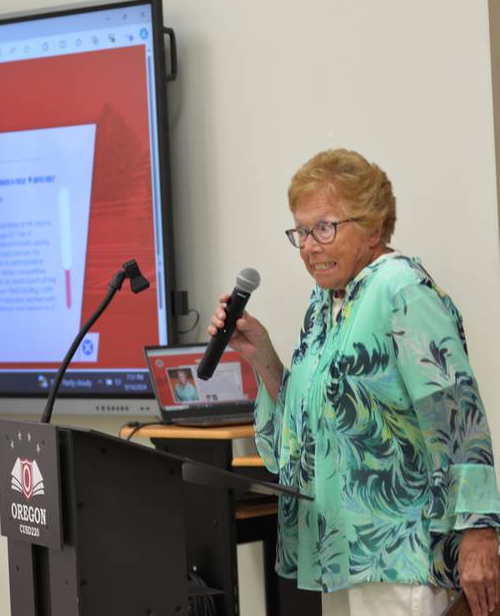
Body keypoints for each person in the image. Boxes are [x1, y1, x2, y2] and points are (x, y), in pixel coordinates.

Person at [208, 149, 500, 616]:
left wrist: (479, 532)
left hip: (402, 555)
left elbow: (458, 419)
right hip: (340, 554)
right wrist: (260, 353)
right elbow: (303, 434)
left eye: (324, 227)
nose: (308, 246)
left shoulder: (401, 289)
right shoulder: (326, 302)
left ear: (375, 227)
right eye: (300, 231)